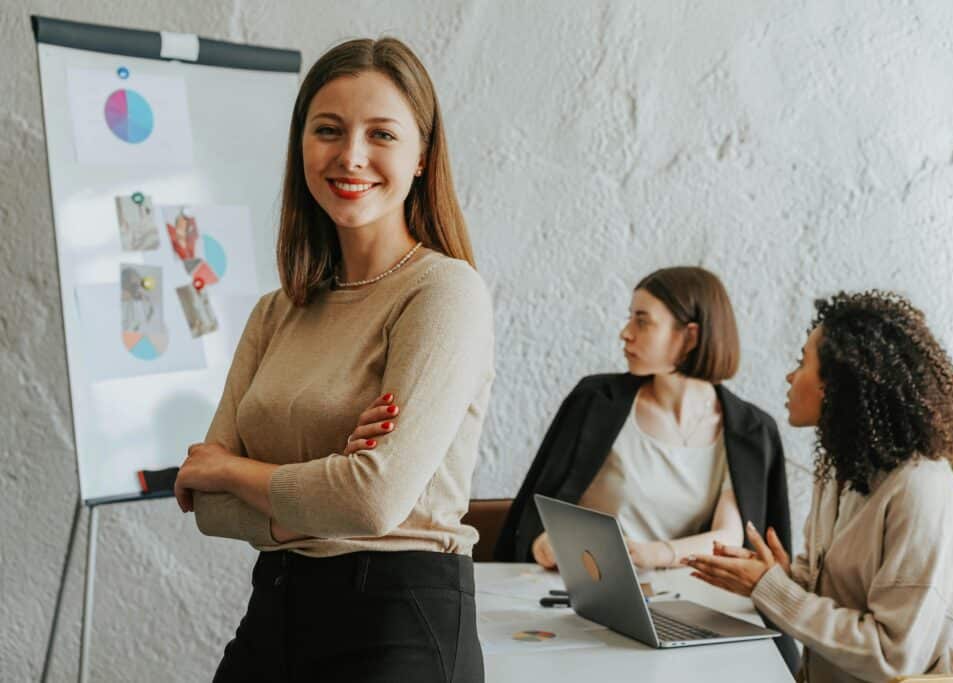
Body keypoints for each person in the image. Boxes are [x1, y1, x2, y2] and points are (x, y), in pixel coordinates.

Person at [173, 37, 493, 682]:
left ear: (423, 156)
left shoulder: (443, 291)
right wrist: (324, 487)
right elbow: (207, 509)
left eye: (382, 134)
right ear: (301, 146)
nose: (351, 156)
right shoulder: (277, 310)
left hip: (398, 623)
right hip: (276, 613)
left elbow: (372, 500)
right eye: (328, 130)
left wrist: (234, 468)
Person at [494, 266, 799, 671]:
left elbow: (730, 538)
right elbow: (540, 508)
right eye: (629, 318)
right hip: (588, 602)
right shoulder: (595, 401)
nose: (625, 332)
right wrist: (544, 543)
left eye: (642, 321)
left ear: (689, 336)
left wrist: (651, 553)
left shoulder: (749, 429)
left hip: (691, 610)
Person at [684, 291, 953, 682]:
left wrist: (773, 590)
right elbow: (835, 599)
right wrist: (781, 580)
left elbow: (894, 655)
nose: (791, 377)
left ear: (838, 385)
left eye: (802, 363)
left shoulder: (919, 491)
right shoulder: (842, 470)